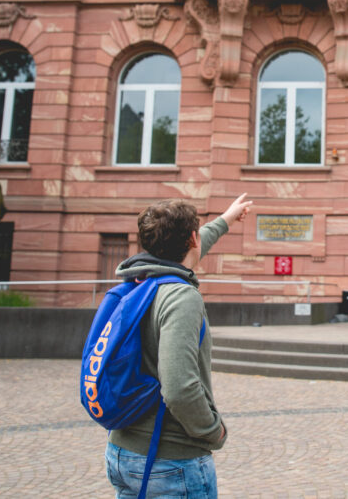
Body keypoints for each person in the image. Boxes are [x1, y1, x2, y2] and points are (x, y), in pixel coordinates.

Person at [105, 193, 252, 499]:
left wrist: (226, 219)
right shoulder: (181, 297)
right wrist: (214, 431)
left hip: (122, 450)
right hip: (169, 460)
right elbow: (179, 388)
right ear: (192, 240)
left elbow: (192, 248)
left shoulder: (140, 281)